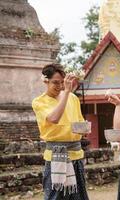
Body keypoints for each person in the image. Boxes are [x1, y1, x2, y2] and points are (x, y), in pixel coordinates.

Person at [32, 63, 89, 200]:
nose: (59, 86)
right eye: (55, 83)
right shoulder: (39, 102)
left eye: (61, 82)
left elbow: (81, 125)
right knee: (55, 196)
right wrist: (67, 93)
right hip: (55, 156)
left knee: (79, 196)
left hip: (76, 154)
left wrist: (84, 129)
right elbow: (54, 118)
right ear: (46, 81)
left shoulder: (73, 99)